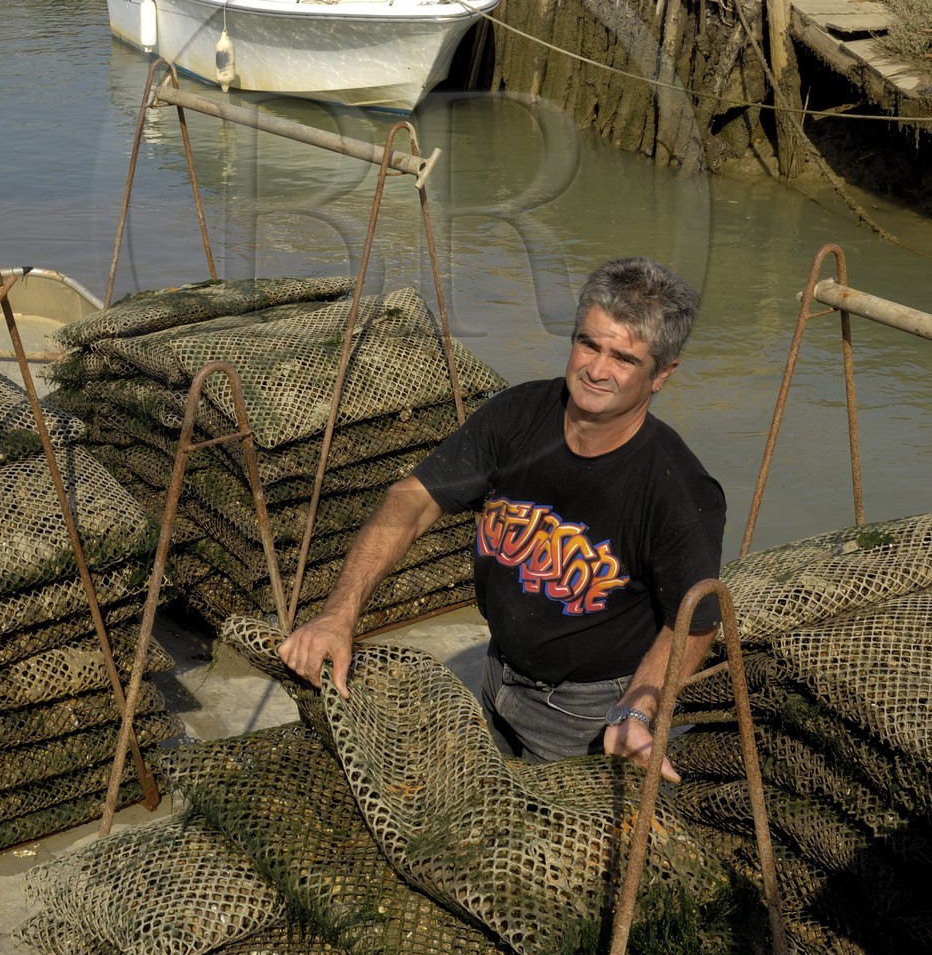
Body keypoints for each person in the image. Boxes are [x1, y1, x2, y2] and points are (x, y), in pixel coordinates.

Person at [278, 257, 725, 781]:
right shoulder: (515, 416)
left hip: (588, 710)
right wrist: (339, 615)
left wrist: (634, 712)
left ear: (661, 376)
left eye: (624, 358)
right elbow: (411, 500)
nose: (597, 370)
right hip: (497, 673)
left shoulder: (678, 489)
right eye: (589, 343)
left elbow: (694, 622)